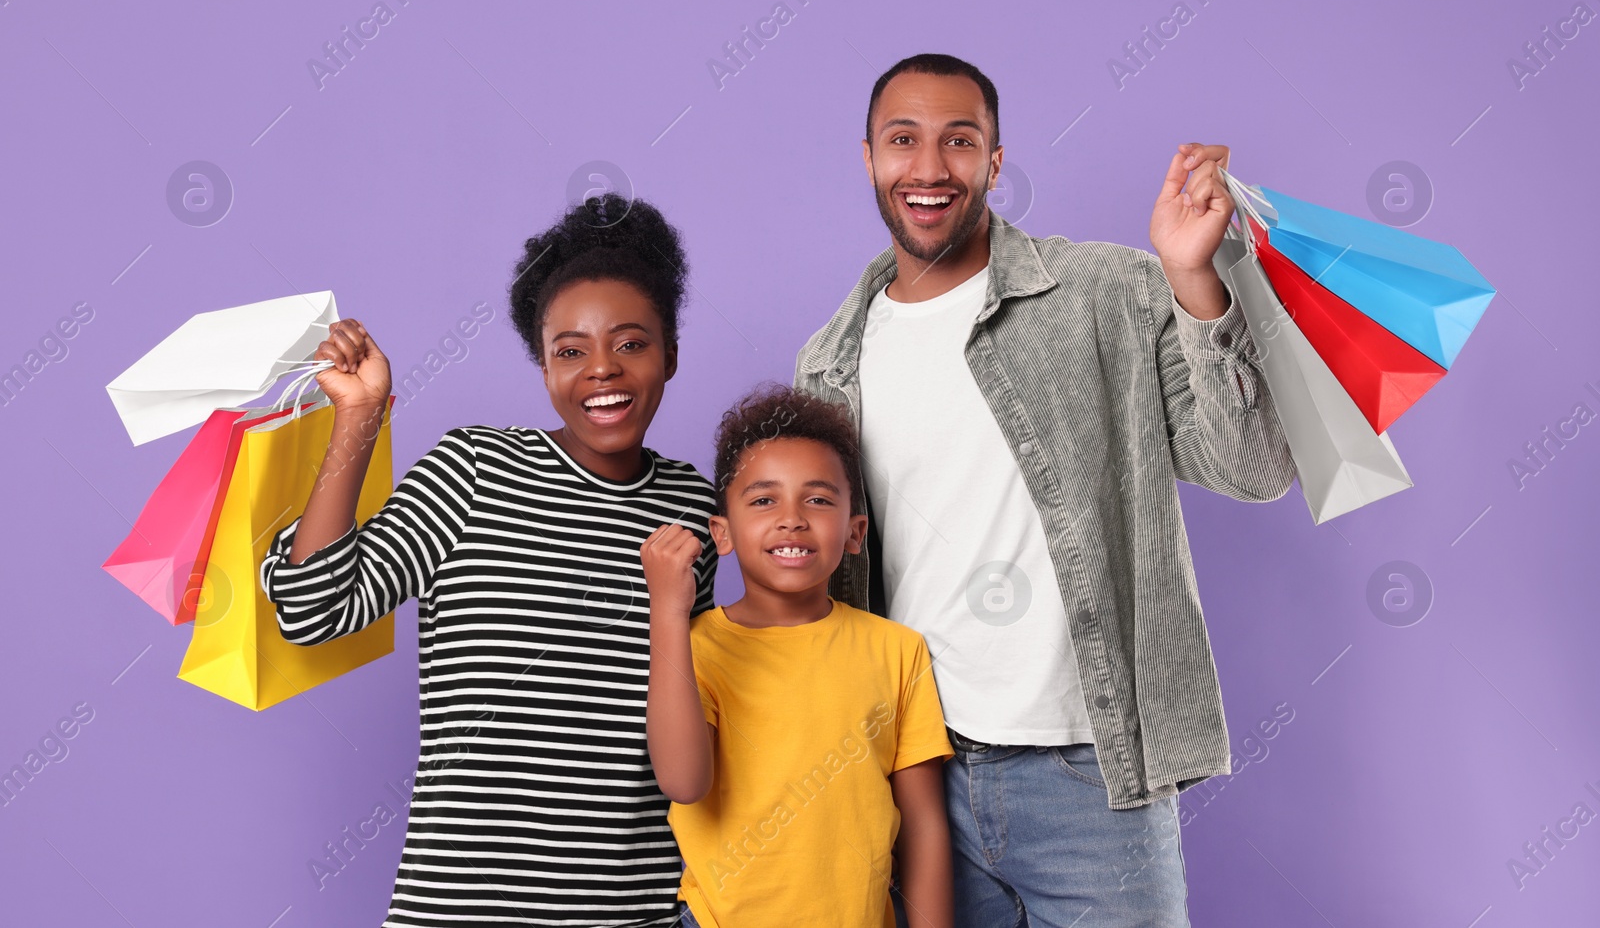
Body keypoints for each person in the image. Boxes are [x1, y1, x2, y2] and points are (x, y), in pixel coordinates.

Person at [793, 53, 1297, 926]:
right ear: (867, 157)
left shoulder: (1101, 292)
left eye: (959, 141)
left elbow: (1255, 468)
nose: (927, 168)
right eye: (902, 140)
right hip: (916, 779)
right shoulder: (829, 362)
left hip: (1091, 776)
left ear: (994, 161)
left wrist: (1193, 280)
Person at [258, 194, 720, 927]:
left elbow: (704, 714)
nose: (602, 369)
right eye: (571, 350)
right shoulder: (475, 469)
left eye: (631, 343)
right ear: (543, 367)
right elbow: (312, 609)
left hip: (634, 910)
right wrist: (359, 417)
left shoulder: (695, 507)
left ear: (670, 353)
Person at [641, 385, 955, 928]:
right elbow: (683, 782)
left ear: (855, 532)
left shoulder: (898, 650)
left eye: (818, 499)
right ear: (723, 532)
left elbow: (923, 826)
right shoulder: (694, 644)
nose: (792, 518)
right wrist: (667, 614)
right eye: (764, 500)